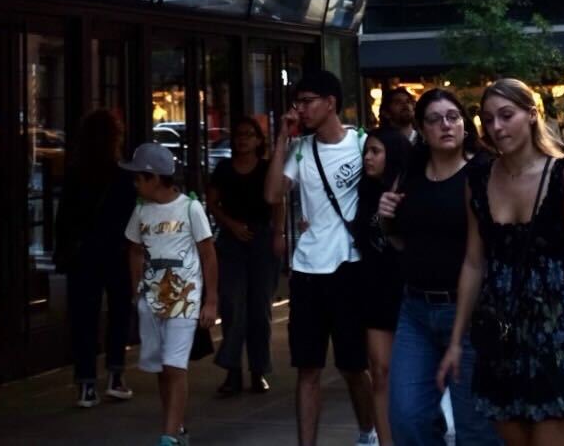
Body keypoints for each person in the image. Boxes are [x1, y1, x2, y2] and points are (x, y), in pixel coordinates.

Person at [436, 78, 564, 445]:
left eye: (506, 115)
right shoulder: (477, 180)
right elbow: (474, 263)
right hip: (499, 340)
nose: (496, 127)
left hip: (557, 339)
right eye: (489, 118)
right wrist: (456, 341)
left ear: (531, 115)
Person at [377, 88, 500, 445]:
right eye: (434, 119)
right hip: (415, 310)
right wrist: (385, 218)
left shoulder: (484, 172)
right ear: (421, 129)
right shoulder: (410, 173)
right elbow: (400, 241)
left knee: (475, 428)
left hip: (471, 312)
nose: (445, 125)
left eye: (453, 117)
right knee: (406, 418)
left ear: (465, 125)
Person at [265, 69, 377, 446]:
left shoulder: (362, 143)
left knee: (353, 365)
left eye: (308, 101)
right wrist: (282, 137)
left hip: (350, 264)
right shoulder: (301, 150)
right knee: (307, 367)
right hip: (308, 268)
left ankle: (368, 432)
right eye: (297, 102)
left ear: (330, 103)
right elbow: (271, 194)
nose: (301, 109)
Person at [122, 143, 217, 446]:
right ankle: (175, 426)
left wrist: (211, 300)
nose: (135, 183)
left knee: (175, 366)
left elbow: (208, 254)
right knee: (162, 368)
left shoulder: (190, 208)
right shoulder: (141, 211)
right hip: (151, 300)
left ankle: (168, 436)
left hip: (184, 299)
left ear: (152, 178)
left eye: (138, 177)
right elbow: (135, 249)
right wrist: (136, 289)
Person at [54, 110, 138, 408]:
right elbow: (133, 219)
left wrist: (63, 250)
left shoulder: (76, 174)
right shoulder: (125, 176)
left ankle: (86, 385)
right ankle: (116, 376)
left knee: (84, 319)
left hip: (84, 254)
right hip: (117, 252)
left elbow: (64, 219)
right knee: (118, 315)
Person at [207, 117, 283, 396]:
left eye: (249, 135)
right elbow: (212, 201)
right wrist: (230, 224)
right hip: (232, 241)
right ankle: (232, 370)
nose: (242, 139)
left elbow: (277, 201)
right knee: (232, 305)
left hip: (261, 239)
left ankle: (258, 370)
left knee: (259, 308)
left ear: (258, 140)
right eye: (238, 134)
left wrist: (278, 234)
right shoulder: (224, 168)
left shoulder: (265, 169)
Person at [352, 127, 413, 443]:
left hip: (409, 289)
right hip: (375, 289)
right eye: (366, 151)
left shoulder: (411, 189)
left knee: (414, 377)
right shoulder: (365, 191)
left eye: (375, 151)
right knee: (379, 371)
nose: (368, 158)